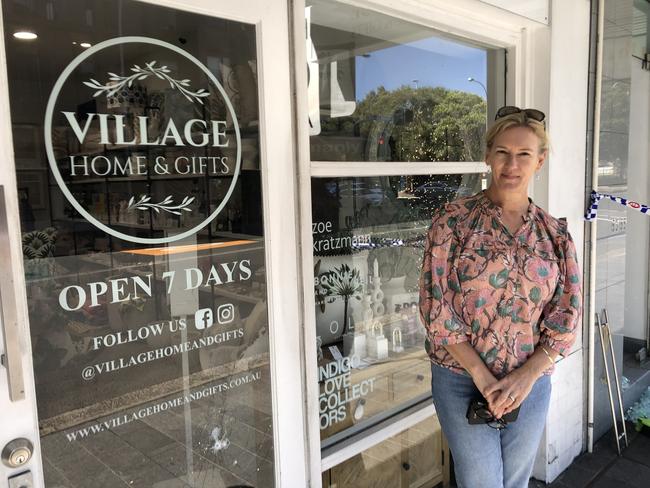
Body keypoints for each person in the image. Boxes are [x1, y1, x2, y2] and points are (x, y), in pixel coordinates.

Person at [418, 106, 582, 488]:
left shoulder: (554, 236)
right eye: (503, 152)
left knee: (516, 482)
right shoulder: (453, 222)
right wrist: (484, 377)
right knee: (482, 483)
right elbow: (435, 307)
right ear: (488, 155)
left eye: (524, 154)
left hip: (530, 382)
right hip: (461, 379)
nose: (512, 164)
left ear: (539, 160)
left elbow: (566, 317)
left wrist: (526, 377)